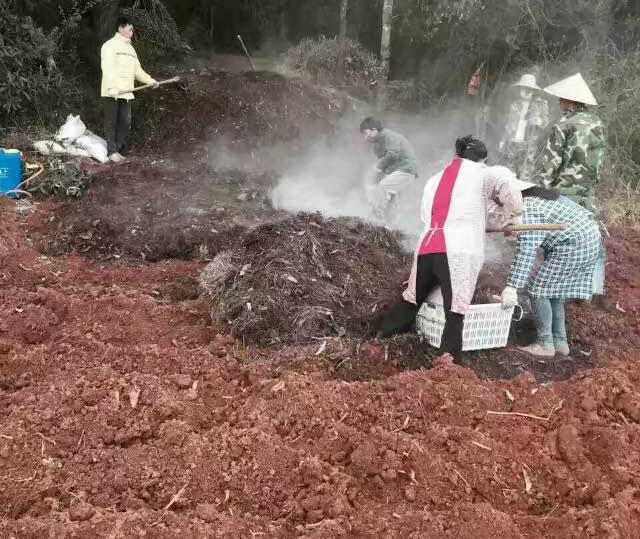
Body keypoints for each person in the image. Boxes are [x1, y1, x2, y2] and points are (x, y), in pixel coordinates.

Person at [378, 136, 523, 359]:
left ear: (457, 155)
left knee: (412, 299)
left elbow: (430, 215)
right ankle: (449, 364)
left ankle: (380, 340)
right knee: (455, 310)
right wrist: (513, 218)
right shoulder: (485, 173)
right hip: (459, 251)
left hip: (427, 246)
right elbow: (507, 186)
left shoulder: (434, 179)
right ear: (482, 159)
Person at [501, 183, 602, 358]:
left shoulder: (530, 208)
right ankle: (560, 342)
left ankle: (545, 344)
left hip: (573, 245)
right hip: (589, 241)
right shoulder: (542, 200)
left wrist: (512, 286)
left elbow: (527, 250)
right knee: (554, 292)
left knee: (538, 289)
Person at [537, 72, 607, 296]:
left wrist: (542, 192)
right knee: (589, 234)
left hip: (564, 191)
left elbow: (550, 164)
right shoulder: (597, 123)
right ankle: (594, 287)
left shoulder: (563, 124)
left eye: (561, 99)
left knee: (559, 237)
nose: (559, 102)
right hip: (587, 191)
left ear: (570, 100)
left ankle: (558, 287)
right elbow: (598, 160)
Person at [101, 17, 159, 163]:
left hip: (126, 92)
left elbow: (138, 71)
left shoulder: (131, 49)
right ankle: (111, 152)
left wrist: (150, 80)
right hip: (112, 92)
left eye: (132, 29)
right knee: (111, 121)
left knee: (125, 122)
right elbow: (107, 67)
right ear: (120, 28)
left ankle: (118, 149)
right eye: (130, 28)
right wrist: (111, 87)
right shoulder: (109, 45)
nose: (132, 32)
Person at [360, 117, 419, 223]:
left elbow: (393, 154)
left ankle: (376, 220)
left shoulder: (389, 136)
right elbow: (384, 167)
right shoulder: (377, 146)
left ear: (374, 129)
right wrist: (373, 179)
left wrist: (377, 167)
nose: (365, 137)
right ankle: (391, 227)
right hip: (396, 172)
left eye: (365, 132)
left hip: (405, 169)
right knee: (391, 201)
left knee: (381, 189)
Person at [498, 74, 550, 181]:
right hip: (512, 142)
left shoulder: (540, 105)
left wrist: (540, 121)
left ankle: (523, 195)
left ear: (533, 91)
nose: (526, 91)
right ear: (520, 89)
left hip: (529, 144)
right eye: (524, 88)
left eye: (529, 89)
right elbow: (508, 125)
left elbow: (546, 121)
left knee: (525, 172)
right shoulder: (514, 105)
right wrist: (503, 140)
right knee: (509, 172)